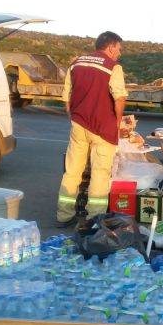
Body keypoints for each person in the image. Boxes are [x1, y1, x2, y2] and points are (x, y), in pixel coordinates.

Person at [56, 31, 127, 227]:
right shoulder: (113, 67)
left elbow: (67, 98)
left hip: (78, 125)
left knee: (72, 172)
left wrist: (74, 118)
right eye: (119, 49)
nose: (119, 53)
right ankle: (94, 218)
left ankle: (64, 215)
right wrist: (117, 122)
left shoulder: (76, 64)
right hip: (102, 129)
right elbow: (119, 98)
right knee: (100, 174)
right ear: (111, 46)